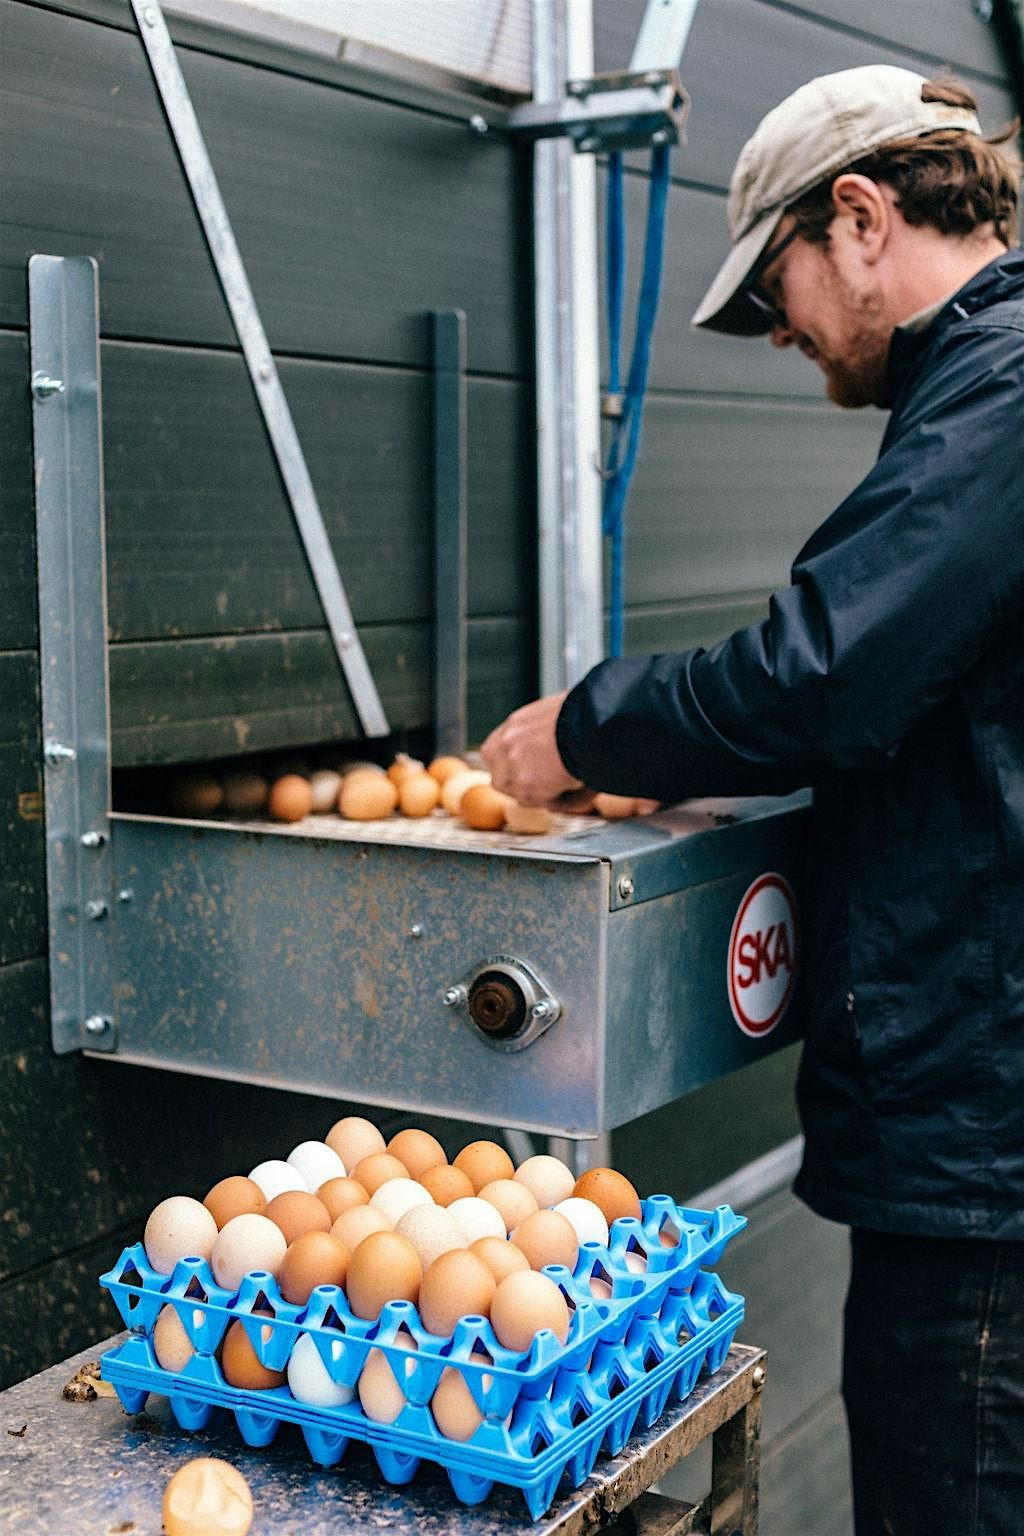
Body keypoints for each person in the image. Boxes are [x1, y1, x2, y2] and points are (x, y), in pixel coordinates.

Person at [482, 65, 1024, 1536]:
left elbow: (825, 676)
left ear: (857, 218)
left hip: (988, 1169)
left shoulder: (1006, 397)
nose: (775, 330)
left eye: (771, 285)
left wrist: (587, 729)